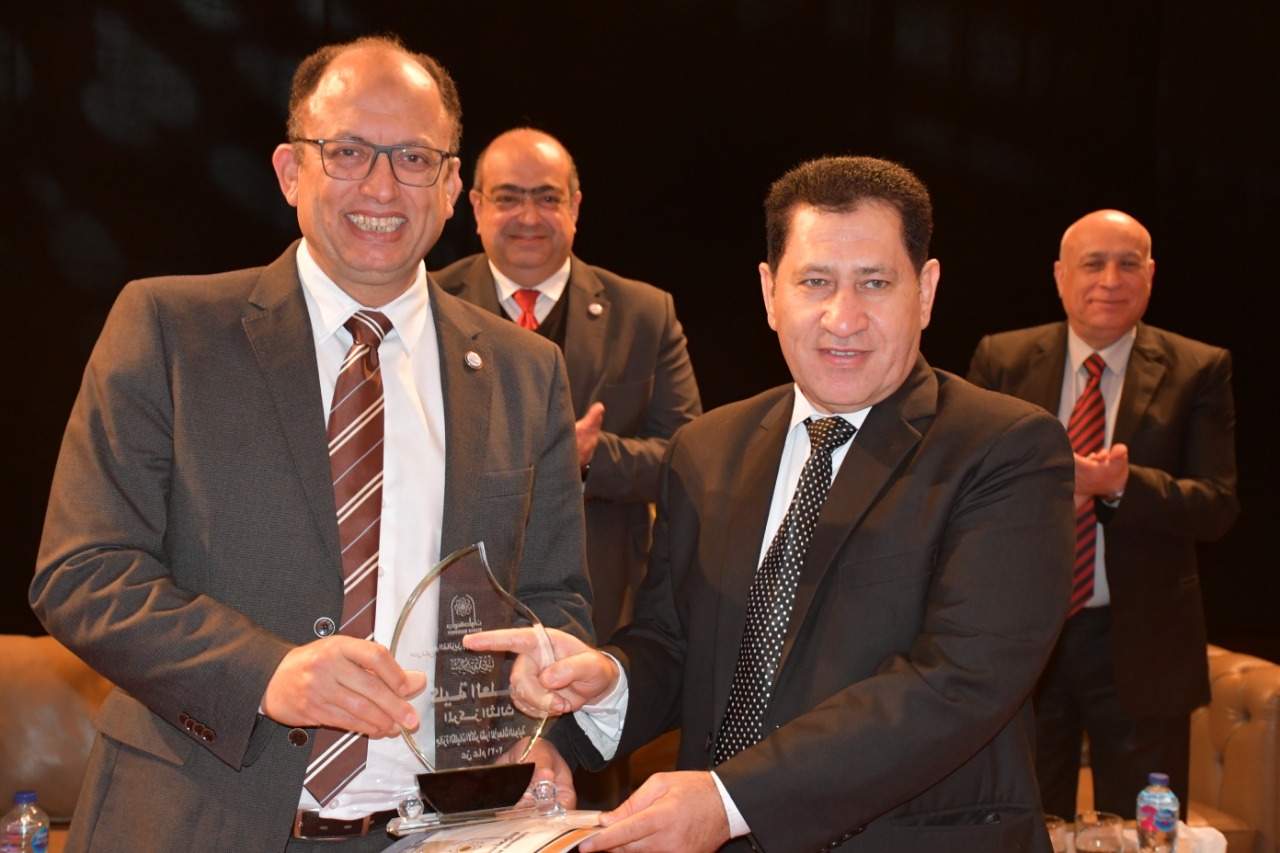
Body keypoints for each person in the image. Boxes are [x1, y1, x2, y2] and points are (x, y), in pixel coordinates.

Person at [30, 35, 592, 853]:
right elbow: (83, 572)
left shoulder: (525, 371)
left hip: (438, 834)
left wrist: (544, 730)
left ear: (449, 188)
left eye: (413, 158)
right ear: (292, 171)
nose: (381, 186)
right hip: (196, 826)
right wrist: (265, 673)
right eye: (348, 152)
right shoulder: (169, 330)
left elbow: (552, 600)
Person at [468, 155, 1078, 852]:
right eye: (815, 282)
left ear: (926, 290)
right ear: (769, 292)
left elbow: (957, 683)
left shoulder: (1005, 450)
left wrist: (731, 801)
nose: (843, 318)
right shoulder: (706, 448)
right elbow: (672, 643)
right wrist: (602, 688)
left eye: (875, 283)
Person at [967, 209, 1239, 819]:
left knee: (1141, 831)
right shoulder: (1002, 360)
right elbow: (965, 492)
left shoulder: (1199, 367)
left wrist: (1120, 487)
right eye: (1093, 264)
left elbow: (1217, 504)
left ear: (1151, 275)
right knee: (1022, 820)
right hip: (1024, 637)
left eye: (1128, 264)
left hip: (1141, 644)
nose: (1110, 280)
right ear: (1061, 276)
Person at [434, 127, 702, 644]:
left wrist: (589, 458)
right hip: (451, 601)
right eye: (508, 198)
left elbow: (685, 461)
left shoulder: (645, 315)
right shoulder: (430, 303)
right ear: (476, 207)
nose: (528, 217)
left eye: (547, 198)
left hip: (599, 607)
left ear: (575, 207)